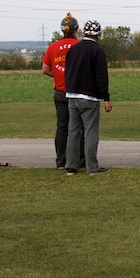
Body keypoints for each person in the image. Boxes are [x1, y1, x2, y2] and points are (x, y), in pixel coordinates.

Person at [64, 20, 113, 175]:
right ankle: (91, 166)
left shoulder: (73, 49)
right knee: (90, 132)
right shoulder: (97, 51)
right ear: (98, 34)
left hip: (72, 96)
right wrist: (106, 97)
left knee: (73, 132)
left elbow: (67, 71)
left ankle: (71, 165)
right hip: (89, 98)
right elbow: (101, 77)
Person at [41, 13, 82, 169]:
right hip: (76, 91)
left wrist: (59, 74)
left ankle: (61, 160)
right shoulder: (79, 46)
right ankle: (80, 159)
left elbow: (45, 69)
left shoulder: (53, 47)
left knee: (62, 128)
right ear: (76, 30)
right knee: (79, 127)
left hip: (60, 92)